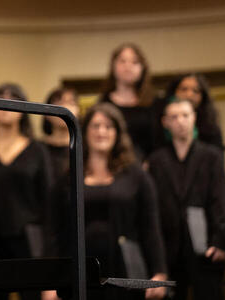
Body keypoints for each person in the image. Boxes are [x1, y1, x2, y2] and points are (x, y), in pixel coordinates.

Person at [46, 103, 168, 300]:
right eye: (95, 126)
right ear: (84, 132)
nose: (101, 131)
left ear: (118, 133)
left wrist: (159, 272)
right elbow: (54, 232)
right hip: (78, 271)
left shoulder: (137, 176)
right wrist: (50, 282)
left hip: (126, 269)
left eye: (109, 126)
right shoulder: (67, 177)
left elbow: (151, 228)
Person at [0, 83, 52, 300]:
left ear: (23, 109)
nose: (5, 103)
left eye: (13, 98)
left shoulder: (37, 149)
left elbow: (48, 201)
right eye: (0, 98)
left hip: (29, 239)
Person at [147, 98, 225, 300]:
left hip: (205, 244)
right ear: (165, 122)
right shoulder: (156, 160)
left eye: (185, 115)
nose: (180, 121)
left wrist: (221, 241)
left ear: (194, 118)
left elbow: (221, 199)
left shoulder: (211, 156)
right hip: (169, 247)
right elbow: (152, 208)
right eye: (174, 117)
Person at [99, 43, 160, 161]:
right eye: (122, 61)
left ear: (143, 68)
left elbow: (158, 142)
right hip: (112, 166)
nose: (128, 66)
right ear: (113, 66)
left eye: (134, 62)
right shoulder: (103, 104)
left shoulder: (155, 103)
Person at [163, 73, 223, 150]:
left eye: (196, 91)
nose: (189, 95)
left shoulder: (211, 126)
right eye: (184, 89)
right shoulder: (161, 122)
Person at [40, 87, 80, 182]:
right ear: (47, 113)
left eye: (71, 103)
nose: (65, 107)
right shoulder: (37, 148)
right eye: (59, 102)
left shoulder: (84, 148)